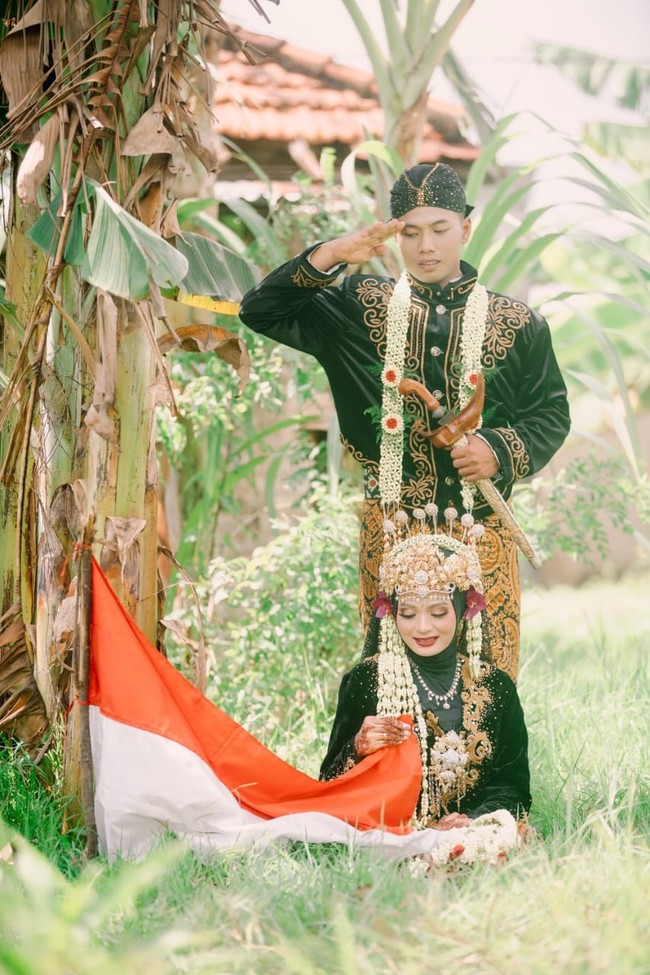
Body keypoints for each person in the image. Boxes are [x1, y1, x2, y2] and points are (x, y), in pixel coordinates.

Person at [239, 162, 571, 679]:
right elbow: (260, 311)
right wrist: (331, 254)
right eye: (410, 233)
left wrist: (499, 449)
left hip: (482, 535)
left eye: (440, 229)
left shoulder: (519, 323)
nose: (426, 246)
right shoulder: (357, 305)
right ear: (394, 236)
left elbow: (550, 413)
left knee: (488, 687)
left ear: (465, 228)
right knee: (390, 687)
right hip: (390, 529)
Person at [320, 507, 531, 830]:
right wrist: (357, 747)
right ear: (392, 615)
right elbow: (328, 784)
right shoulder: (367, 681)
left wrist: (472, 821)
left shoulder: (495, 686)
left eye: (437, 612)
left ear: (463, 610)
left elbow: (513, 787)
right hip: (389, 835)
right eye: (407, 613)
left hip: (472, 833)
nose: (422, 627)